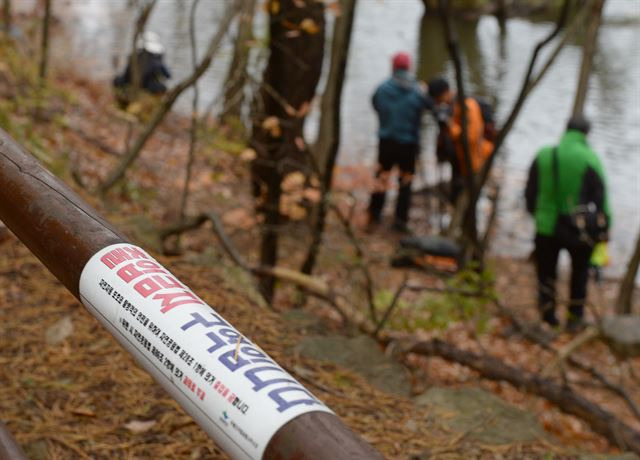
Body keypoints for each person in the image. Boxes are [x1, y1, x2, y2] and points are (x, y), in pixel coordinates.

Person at [525, 116, 611, 331]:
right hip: (579, 231)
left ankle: (548, 316)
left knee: (546, 273)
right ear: (586, 134)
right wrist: (605, 228)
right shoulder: (590, 158)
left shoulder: (544, 154)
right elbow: (602, 200)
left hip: (546, 227)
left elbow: (529, 193)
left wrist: (537, 214)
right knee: (579, 275)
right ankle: (574, 320)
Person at [368, 52, 433, 233]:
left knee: (381, 177)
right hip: (408, 145)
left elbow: (374, 104)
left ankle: (374, 215)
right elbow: (430, 107)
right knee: (405, 184)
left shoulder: (382, 88)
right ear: (409, 67)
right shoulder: (417, 91)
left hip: (386, 141)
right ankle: (400, 222)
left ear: (393, 67)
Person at [428, 78, 494, 203]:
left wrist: (450, 127)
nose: (437, 103)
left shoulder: (467, 106)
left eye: (437, 99)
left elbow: (472, 137)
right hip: (461, 162)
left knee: (467, 201)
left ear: (445, 93)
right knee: (457, 198)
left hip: (472, 164)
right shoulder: (453, 106)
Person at [113, 31, 172, 97]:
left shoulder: (133, 56)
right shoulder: (156, 61)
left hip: (130, 83)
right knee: (163, 87)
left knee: (116, 80)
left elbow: (125, 74)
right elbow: (168, 75)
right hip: (146, 86)